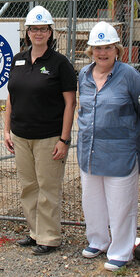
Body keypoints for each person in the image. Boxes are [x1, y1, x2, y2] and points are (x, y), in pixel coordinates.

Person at [4, 6, 77, 255]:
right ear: (28, 32)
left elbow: (70, 103)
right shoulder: (18, 59)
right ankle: (35, 232)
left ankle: (50, 237)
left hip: (49, 137)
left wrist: (64, 139)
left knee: (48, 187)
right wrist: (7, 130)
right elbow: (11, 97)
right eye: (34, 29)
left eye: (43, 29)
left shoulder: (60, 63)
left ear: (50, 32)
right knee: (29, 187)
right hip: (21, 135)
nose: (38, 33)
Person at [77, 21, 140, 272]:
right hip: (90, 151)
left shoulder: (129, 76)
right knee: (92, 201)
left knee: (121, 204)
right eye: (97, 48)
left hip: (120, 153)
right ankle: (98, 240)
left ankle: (122, 251)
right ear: (90, 51)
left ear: (117, 50)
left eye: (108, 47)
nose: (102, 53)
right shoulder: (83, 74)